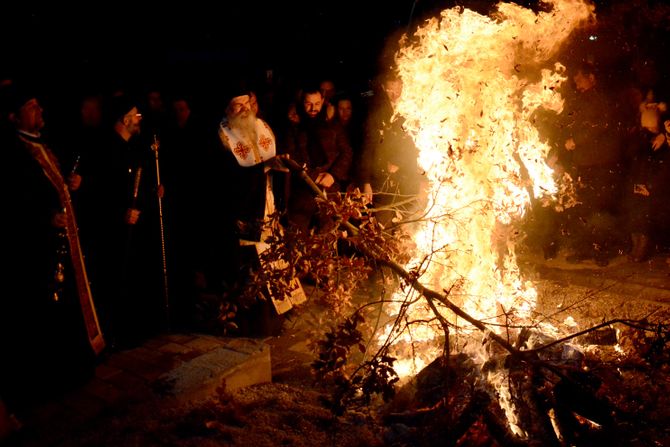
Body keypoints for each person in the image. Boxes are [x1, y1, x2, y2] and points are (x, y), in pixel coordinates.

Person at [0, 85, 104, 412]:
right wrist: (44, 218)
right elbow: (11, 202)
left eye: (39, 105)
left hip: (63, 246)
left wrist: (74, 185)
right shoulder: (11, 153)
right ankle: (47, 380)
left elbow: (58, 185)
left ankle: (73, 370)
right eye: (31, 107)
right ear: (13, 116)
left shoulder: (44, 145)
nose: (40, 111)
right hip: (35, 250)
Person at [218, 87, 303, 334]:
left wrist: (277, 164)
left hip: (267, 203)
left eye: (247, 104)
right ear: (227, 109)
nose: (244, 109)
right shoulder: (223, 136)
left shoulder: (260, 126)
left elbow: (268, 156)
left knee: (273, 259)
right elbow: (228, 178)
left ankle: (276, 318)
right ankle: (254, 325)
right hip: (243, 211)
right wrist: (263, 168)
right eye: (237, 105)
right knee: (251, 268)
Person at [284, 84, 353, 232]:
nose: (313, 108)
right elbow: (291, 157)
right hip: (302, 193)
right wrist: (313, 176)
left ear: (322, 101)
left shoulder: (333, 125)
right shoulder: (294, 128)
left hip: (330, 191)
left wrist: (332, 175)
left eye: (316, 103)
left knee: (327, 237)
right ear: (302, 103)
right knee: (296, 239)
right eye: (308, 104)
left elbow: (346, 152)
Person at [359, 71, 424, 229]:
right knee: (383, 226)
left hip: (408, 181)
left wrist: (400, 162)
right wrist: (366, 181)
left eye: (397, 88)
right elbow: (368, 149)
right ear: (383, 88)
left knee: (408, 227)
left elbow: (420, 144)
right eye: (389, 89)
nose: (394, 94)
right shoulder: (376, 115)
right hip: (383, 182)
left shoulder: (415, 112)